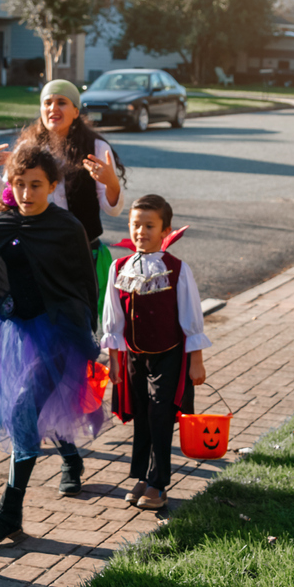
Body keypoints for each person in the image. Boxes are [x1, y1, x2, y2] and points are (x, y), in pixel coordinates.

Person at [0, 143, 103, 542]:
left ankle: (9, 512)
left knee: (27, 406)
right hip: (15, 331)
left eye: (36, 186)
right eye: (20, 184)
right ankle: (72, 459)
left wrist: (90, 335)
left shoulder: (68, 227)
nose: (26, 194)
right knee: (41, 406)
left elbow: (85, 284)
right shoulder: (1, 224)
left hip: (61, 332)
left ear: (53, 186)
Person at [101, 195, 211, 510]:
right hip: (134, 356)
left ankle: (158, 483)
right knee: (142, 417)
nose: (141, 232)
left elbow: (191, 317)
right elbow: (114, 318)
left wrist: (196, 362)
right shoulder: (119, 268)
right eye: (136, 224)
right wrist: (115, 360)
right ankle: (141, 476)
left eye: (150, 226)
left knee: (161, 416)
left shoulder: (177, 270)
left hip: (170, 355)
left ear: (165, 230)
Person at [0, 79, 125, 313]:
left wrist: (112, 183)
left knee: (77, 325)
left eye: (62, 102)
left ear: (76, 111)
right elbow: (6, 197)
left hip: (81, 256)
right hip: (36, 254)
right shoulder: (28, 146)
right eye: (47, 102)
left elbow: (113, 209)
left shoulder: (96, 148)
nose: (53, 108)